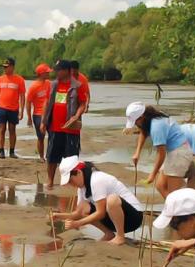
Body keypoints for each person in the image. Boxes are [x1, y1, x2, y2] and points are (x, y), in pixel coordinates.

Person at [51, 156, 144, 245]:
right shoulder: (82, 188)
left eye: (70, 181)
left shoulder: (96, 180)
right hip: (115, 219)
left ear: (78, 172)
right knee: (84, 207)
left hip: (133, 218)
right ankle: (109, 234)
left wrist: (77, 223)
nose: (71, 185)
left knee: (112, 200)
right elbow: (79, 213)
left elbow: (101, 213)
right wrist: (59, 216)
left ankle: (120, 237)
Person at [127, 103, 194, 197]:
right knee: (160, 186)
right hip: (175, 151)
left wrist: (153, 174)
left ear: (142, 117)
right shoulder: (153, 116)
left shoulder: (156, 127)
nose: (135, 125)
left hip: (179, 153)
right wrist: (137, 153)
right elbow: (143, 131)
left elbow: (161, 154)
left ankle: (180, 208)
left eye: (135, 122)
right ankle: (175, 207)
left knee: (174, 195)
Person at [41, 60, 89, 188]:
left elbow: (83, 103)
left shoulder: (78, 85)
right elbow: (47, 103)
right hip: (54, 127)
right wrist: (43, 122)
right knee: (51, 156)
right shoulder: (53, 85)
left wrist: (77, 115)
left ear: (67, 71)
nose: (56, 72)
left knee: (71, 157)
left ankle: (70, 181)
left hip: (71, 128)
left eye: (58, 70)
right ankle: (50, 180)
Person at [0, 57, 27, 159]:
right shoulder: (0, 79)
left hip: (13, 109)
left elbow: (22, 96)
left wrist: (21, 111)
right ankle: (1, 151)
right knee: (1, 129)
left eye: (7, 67)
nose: (5, 69)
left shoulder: (19, 80)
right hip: (1, 108)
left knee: (12, 129)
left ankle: (12, 151)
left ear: (12, 67)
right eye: (4, 67)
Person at [25, 63, 51, 160]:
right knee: (41, 137)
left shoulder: (49, 83)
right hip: (38, 115)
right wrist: (29, 118)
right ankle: (41, 157)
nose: (49, 73)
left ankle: (50, 155)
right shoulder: (34, 87)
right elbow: (28, 102)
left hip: (50, 113)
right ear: (41, 74)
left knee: (52, 136)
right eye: (47, 72)